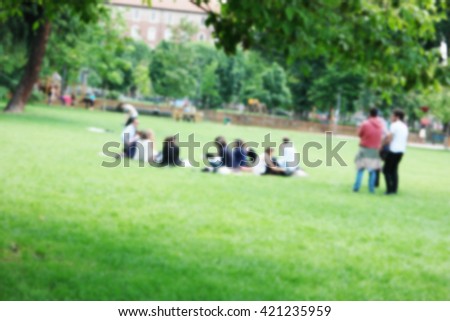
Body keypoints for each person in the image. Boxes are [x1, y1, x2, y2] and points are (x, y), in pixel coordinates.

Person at [353, 108, 384, 193]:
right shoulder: (381, 125)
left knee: (360, 169)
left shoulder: (365, 123)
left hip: (364, 148)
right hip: (374, 150)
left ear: (370, 114)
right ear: (377, 114)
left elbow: (360, 134)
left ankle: (356, 187)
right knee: (373, 170)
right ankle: (371, 189)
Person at [383, 109, 409, 195]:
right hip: (401, 151)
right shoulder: (404, 126)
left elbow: (390, 138)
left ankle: (389, 189)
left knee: (386, 170)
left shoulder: (394, 125)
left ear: (397, 117)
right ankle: (394, 189)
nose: (391, 117)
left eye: (392, 115)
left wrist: (382, 145)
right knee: (394, 170)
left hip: (393, 150)